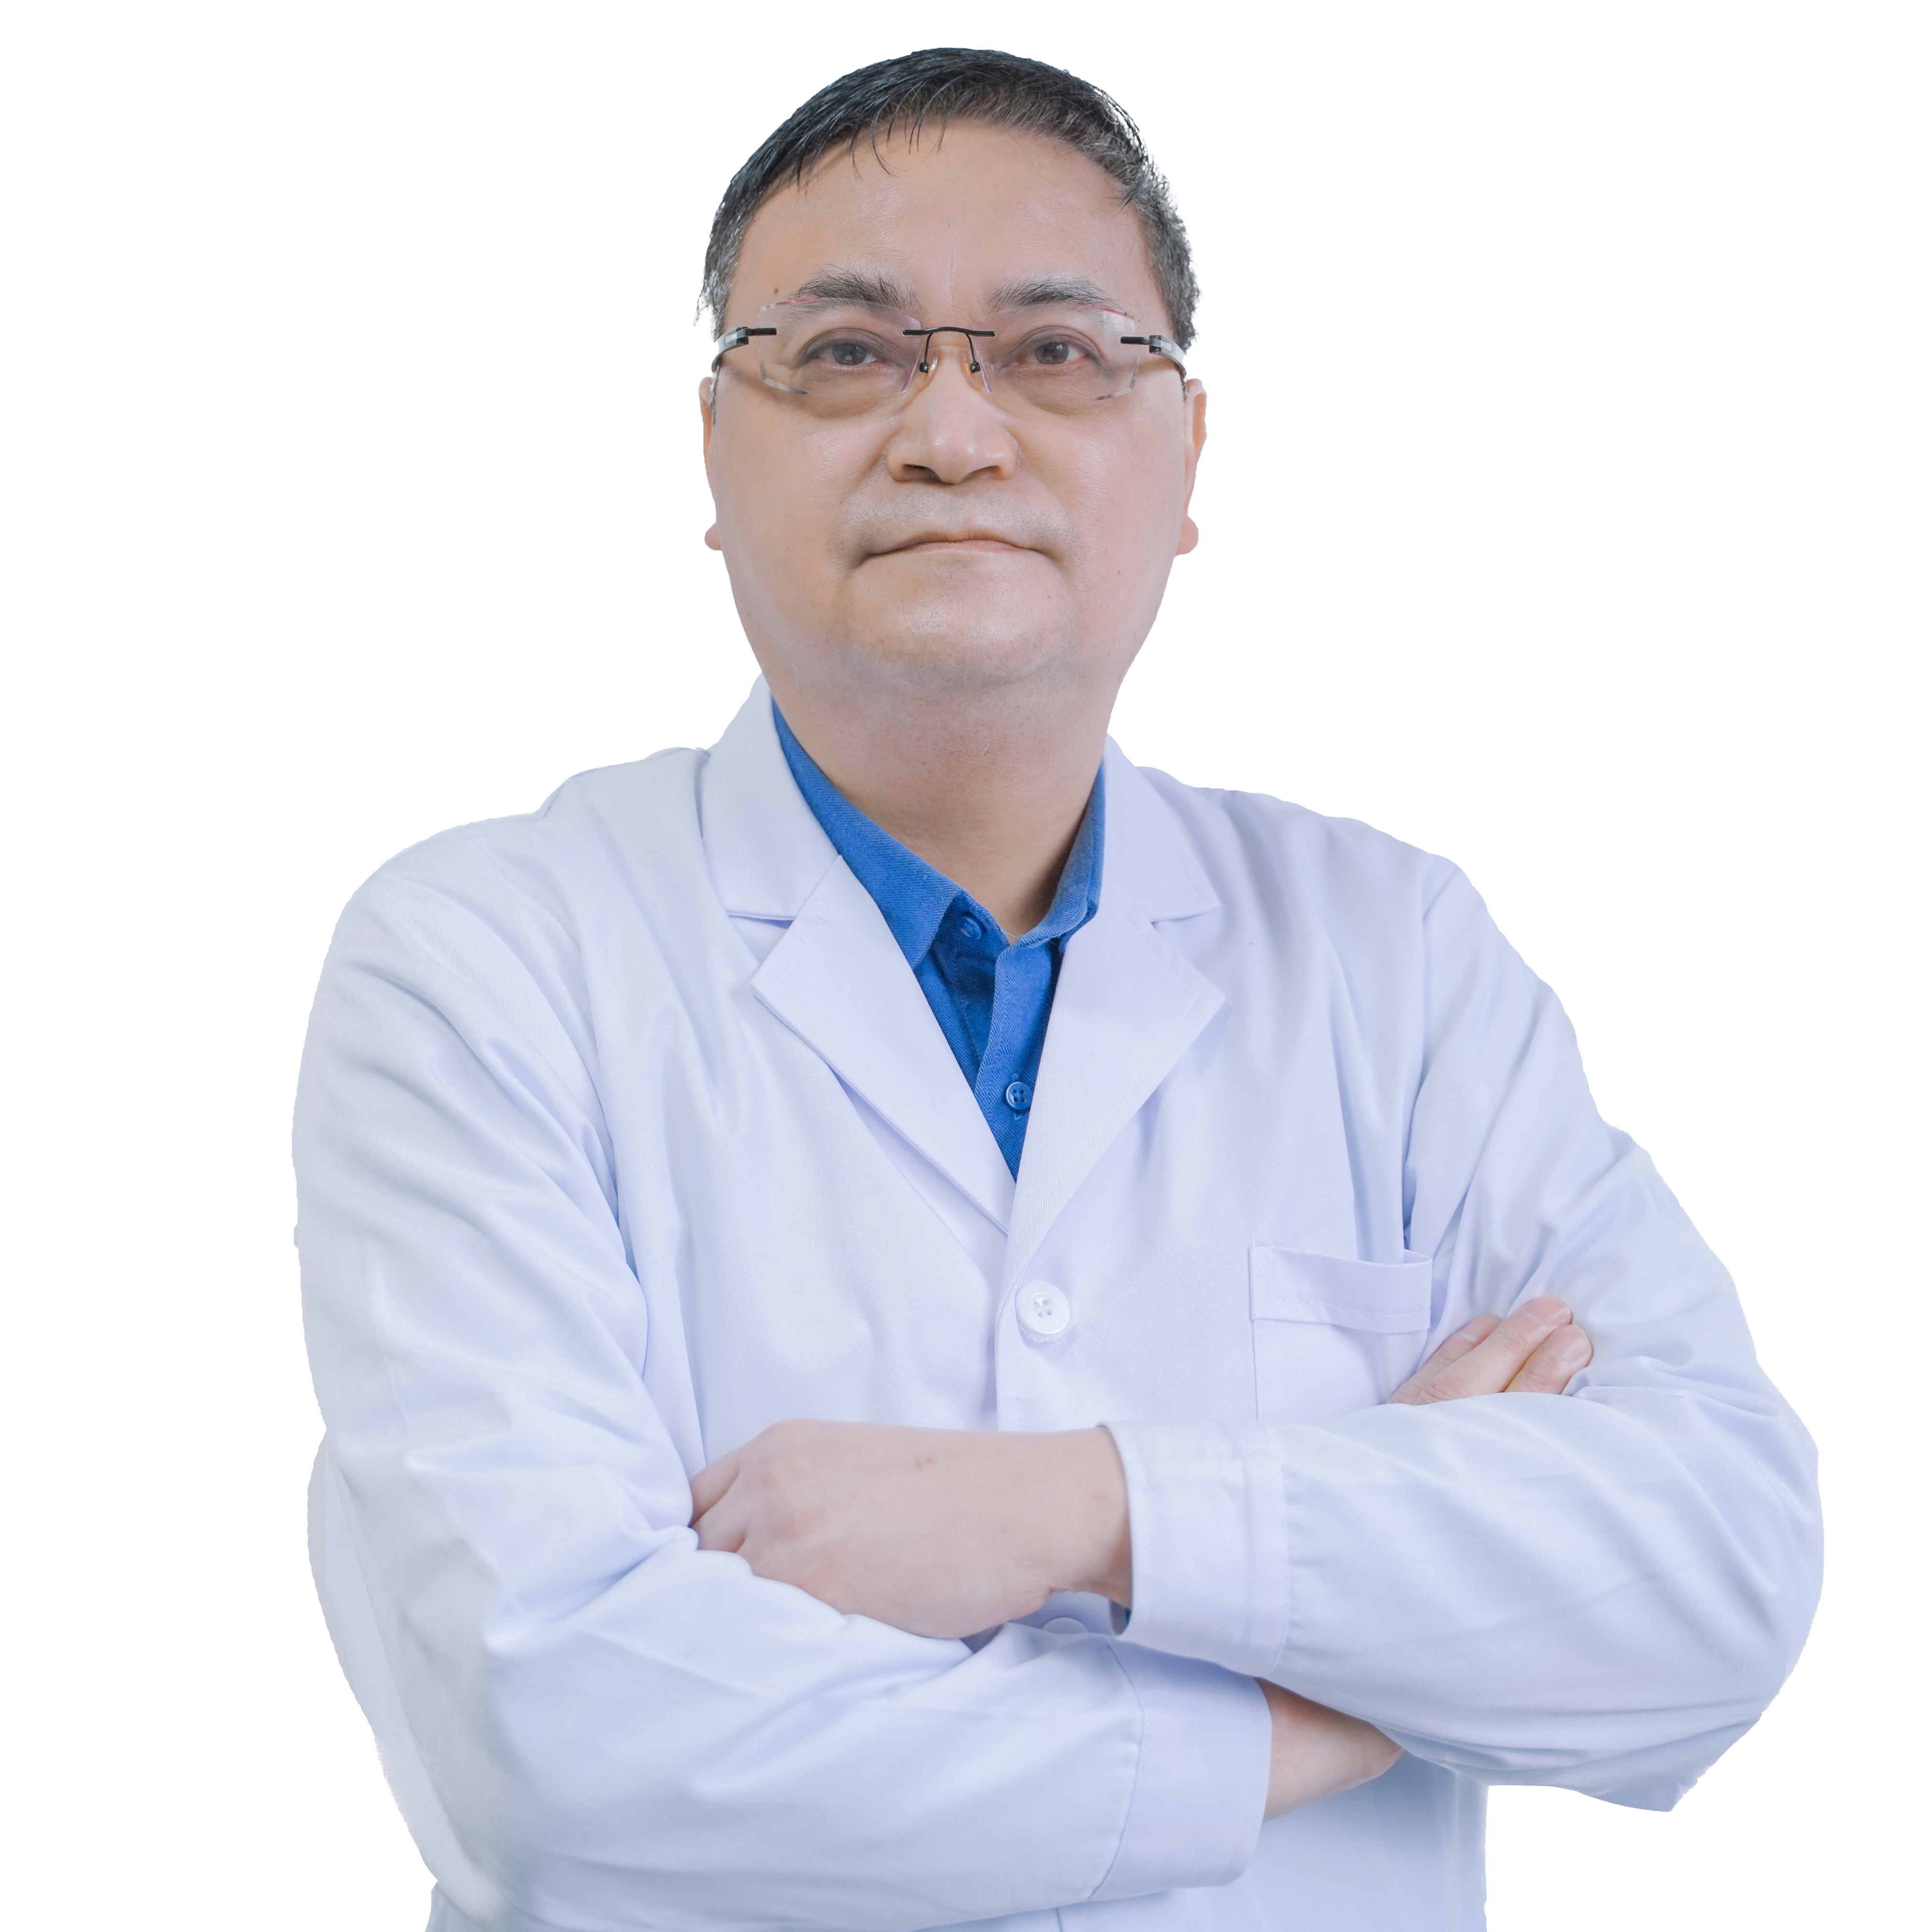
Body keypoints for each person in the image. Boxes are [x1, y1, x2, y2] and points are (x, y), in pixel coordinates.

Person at [296, 46, 1822, 1932]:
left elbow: (1711, 1577)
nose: (952, 431)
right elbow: (554, 1737)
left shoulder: (1395, 959)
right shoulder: (487, 961)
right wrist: (1326, 1701)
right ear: (712, 451)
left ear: (1188, 456)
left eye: (1055, 350)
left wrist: (1079, 1508)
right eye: (844, 352)